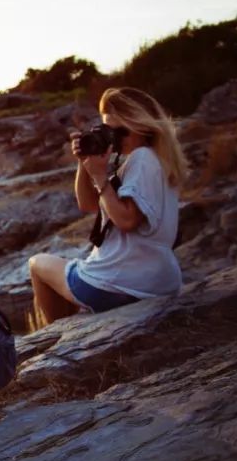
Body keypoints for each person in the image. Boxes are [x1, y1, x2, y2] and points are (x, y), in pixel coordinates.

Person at [29, 87, 188, 327]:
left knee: (37, 263)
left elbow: (126, 221)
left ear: (141, 125)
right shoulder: (159, 160)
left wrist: (101, 178)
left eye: (121, 132)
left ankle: (59, 333)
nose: (115, 139)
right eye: (109, 131)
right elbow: (89, 204)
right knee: (66, 267)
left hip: (120, 283)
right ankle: (69, 329)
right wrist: (86, 161)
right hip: (157, 280)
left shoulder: (142, 158)